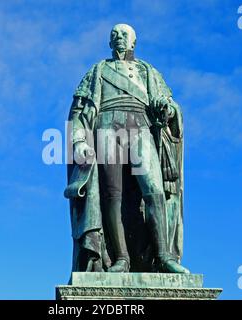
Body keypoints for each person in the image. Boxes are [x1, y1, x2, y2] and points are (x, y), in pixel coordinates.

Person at [65, 24, 188, 274]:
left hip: (140, 127)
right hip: (107, 127)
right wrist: (79, 140)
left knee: (153, 190)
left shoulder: (148, 71)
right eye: (114, 36)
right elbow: (79, 110)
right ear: (110, 44)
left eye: (123, 35)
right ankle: (121, 258)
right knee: (112, 195)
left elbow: (171, 105)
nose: (118, 38)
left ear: (133, 42)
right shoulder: (98, 70)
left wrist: (169, 110)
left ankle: (164, 257)